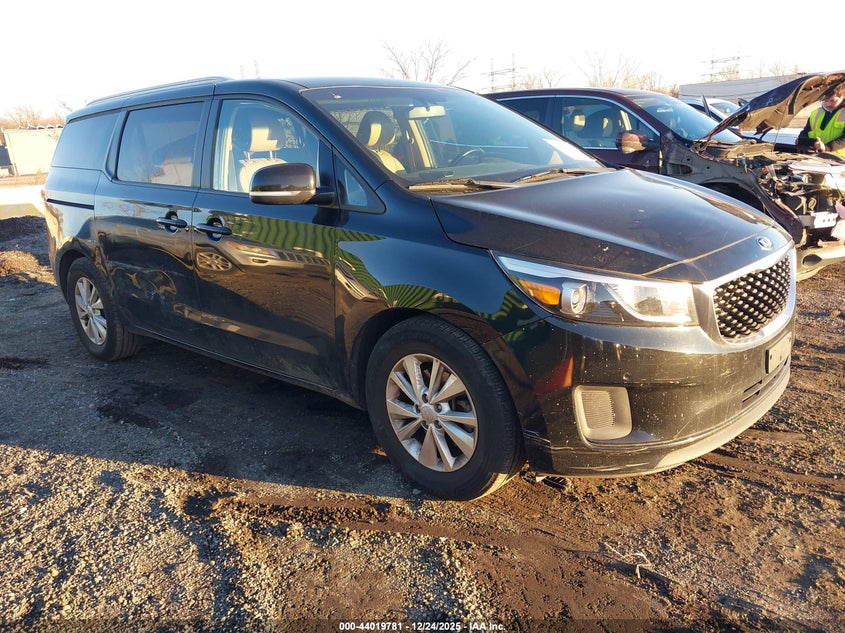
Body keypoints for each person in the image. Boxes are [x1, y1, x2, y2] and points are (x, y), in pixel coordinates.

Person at [796, 83, 845, 157]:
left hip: (840, 161)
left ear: (843, 97)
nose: (828, 104)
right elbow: (806, 132)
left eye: (832, 101)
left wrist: (826, 147)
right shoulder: (815, 113)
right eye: (825, 100)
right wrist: (801, 140)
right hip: (817, 158)